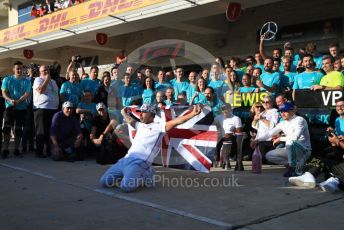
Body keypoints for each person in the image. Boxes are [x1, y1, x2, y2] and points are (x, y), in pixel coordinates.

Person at [99, 104, 202, 193]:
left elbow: (176, 122)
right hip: (125, 160)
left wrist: (192, 114)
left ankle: (146, 173)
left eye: (144, 112)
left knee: (125, 187)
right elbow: (130, 121)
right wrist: (123, 113)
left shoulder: (159, 127)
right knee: (104, 182)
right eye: (140, 112)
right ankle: (130, 175)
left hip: (140, 163)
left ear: (152, 115)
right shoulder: (140, 125)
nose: (141, 114)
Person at [289, 98, 344, 192]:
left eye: (342, 105)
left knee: (325, 161)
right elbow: (337, 140)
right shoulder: (337, 120)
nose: (339, 108)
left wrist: (338, 141)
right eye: (337, 106)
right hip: (339, 151)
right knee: (321, 157)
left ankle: (334, 181)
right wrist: (334, 137)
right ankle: (311, 176)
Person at [253, 102, 312, 177]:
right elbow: (269, 133)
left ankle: (293, 168)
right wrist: (257, 140)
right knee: (269, 155)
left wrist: (280, 138)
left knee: (290, 142)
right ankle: (296, 165)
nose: (282, 113)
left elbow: (295, 137)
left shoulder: (299, 120)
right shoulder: (283, 123)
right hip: (291, 150)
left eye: (285, 111)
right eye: (281, 111)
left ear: (292, 111)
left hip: (304, 151)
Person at [1, 61, 31, 158]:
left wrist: (18, 101)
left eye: (21, 68)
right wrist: (10, 100)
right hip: (9, 108)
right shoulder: (7, 79)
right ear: (13, 69)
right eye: (17, 68)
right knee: (7, 129)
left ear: (23, 69)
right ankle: (5, 149)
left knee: (18, 130)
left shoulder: (27, 81)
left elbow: (27, 94)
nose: (19, 70)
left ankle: (17, 149)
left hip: (21, 108)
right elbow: (4, 92)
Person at [33, 65, 59, 158]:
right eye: (44, 70)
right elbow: (40, 90)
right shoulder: (38, 80)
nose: (46, 72)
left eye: (47, 70)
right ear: (40, 72)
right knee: (41, 131)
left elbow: (56, 93)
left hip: (53, 109)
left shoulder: (54, 81)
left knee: (50, 131)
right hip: (42, 108)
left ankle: (49, 151)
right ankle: (39, 152)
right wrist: (47, 79)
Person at [251, 95, 280, 163]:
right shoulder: (262, 113)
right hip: (260, 140)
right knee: (260, 160)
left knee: (268, 161)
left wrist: (262, 119)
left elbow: (273, 125)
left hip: (269, 140)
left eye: (267, 102)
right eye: (263, 102)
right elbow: (255, 126)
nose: (265, 103)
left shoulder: (275, 112)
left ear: (272, 102)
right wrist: (255, 120)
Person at [214, 104, 243, 170]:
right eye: (223, 109)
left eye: (227, 109)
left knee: (228, 138)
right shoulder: (218, 117)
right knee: (215, 140)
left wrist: (231, 133)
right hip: (220, 136)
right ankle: (216, 160)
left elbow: (239, 132)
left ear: (230, 110)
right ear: (222, 110)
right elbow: (212, 126)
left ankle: (227, 162)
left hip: (231, 136)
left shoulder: (236, 118)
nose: (225, 111)